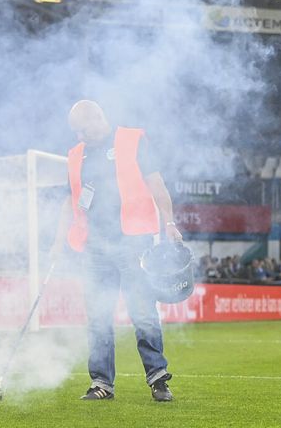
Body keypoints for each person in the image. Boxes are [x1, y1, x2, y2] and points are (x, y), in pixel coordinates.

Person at [59, 100, 179, 403]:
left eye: (82, 130)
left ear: (98, 118)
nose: (79, 137)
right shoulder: (76, 155)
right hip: (95, 246)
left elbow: (156, 184)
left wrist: (170, 223)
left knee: (143, 312)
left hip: (133, 241)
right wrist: (60, 240)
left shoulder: (133, 140)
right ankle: (101, 383)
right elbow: (69, 200)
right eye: (76, 132)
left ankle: (158, 378)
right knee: (98, 317)